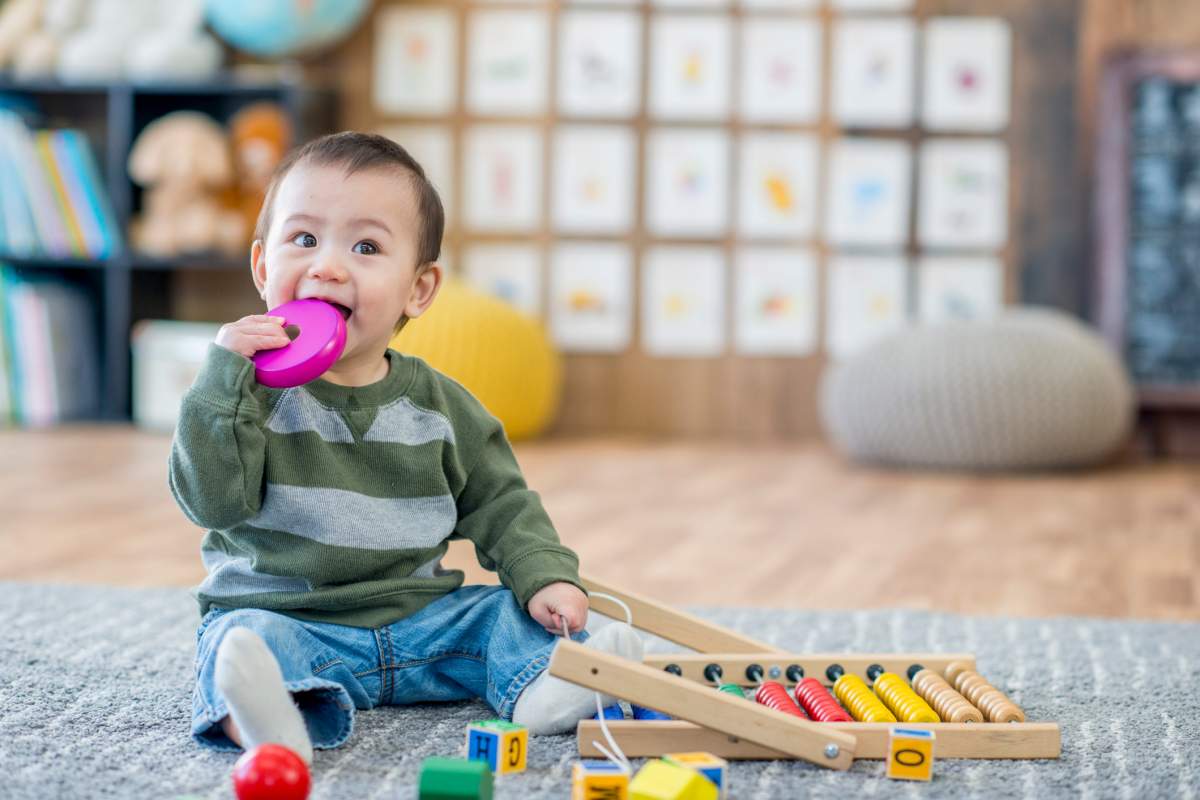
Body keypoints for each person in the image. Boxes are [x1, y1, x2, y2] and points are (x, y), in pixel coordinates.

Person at [170, 131, 641, 762]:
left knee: (503, 617)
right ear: (262, 268)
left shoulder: (443, 408)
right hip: (293, 618)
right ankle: (271, 723)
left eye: (365, 246)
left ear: (418, 290)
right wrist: (221, 381)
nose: (327, 266)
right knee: (240, 638)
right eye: (304, 239)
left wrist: (544, 577)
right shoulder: (242, 396)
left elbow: (502, 503)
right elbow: (213, 503)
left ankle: (550, 684)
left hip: (423, 624)